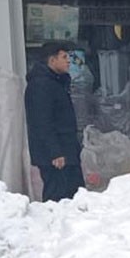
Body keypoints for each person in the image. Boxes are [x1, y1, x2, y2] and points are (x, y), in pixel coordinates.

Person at [25, 41, 83, 202]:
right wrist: (55, 152)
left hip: (67, 149)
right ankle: (54, 225)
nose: (68, 61)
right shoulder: (40, 85)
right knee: (58, 196)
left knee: (75, 195)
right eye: (64, 57)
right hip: (56, 156)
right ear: (52, 61)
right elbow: (42, 122)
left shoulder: (56, 82)